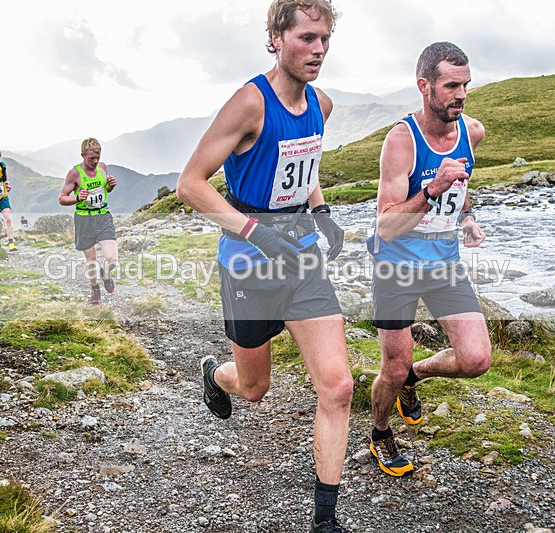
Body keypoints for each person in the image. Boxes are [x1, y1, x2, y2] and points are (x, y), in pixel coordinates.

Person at [177, 2, 351, 531]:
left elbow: (303, 166)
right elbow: (191, 184)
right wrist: (256, 231)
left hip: (301, 260)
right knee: (254, 389)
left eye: (324, 38)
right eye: (305, 38)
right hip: (249, 264)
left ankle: (324, 520)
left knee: (338, 386)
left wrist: (320, 213)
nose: (318, 49)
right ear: (275, 38)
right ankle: (214, 374)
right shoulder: (249, 104)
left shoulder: (321, 102)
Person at [366, 42, 492, 477]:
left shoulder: (472, 131)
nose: (460, 95)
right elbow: (385, 225)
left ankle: (414, 379)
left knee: (476, 360)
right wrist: (432, 190)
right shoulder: (401, 142)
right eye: (451, 86)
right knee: (392, 366)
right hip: (396, 265)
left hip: (444, 263)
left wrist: (468, 216)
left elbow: (462, 178)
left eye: (466, 85)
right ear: (424, 86)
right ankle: (381, 433)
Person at [58, 138, 118, 305]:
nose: (95, 161)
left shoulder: (102, 167)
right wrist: (77, 198)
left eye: (98, 157)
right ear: (83, 155)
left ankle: (105, 274)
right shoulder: (74, 173)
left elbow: (105, 190)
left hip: (103, 215)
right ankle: (95, 288)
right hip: (84, 219)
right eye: (91, 158)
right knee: (91, 260)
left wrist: (110, 186)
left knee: (112, 258)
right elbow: (62, 198)